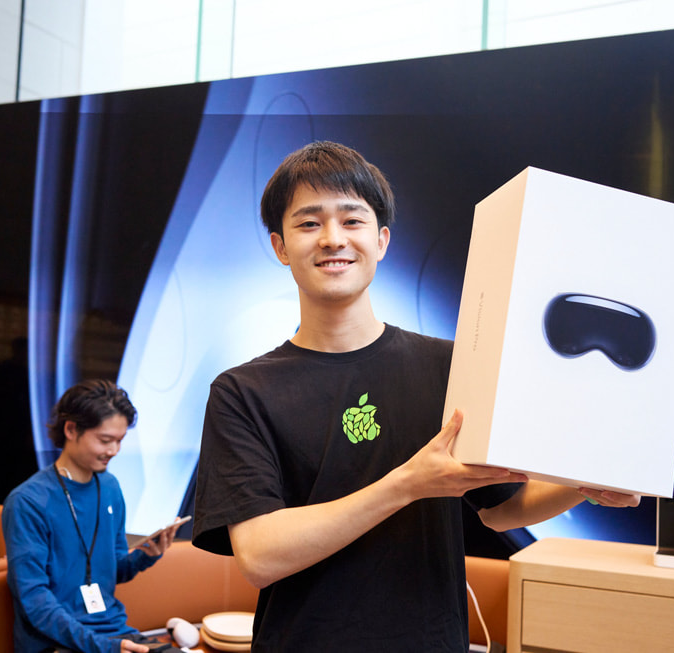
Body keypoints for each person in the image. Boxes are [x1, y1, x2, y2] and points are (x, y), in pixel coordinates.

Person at [190, 141, 641, 651]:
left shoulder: (450, 365)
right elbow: (260, 556)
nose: (333, 239)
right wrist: (408, 484)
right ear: (279, 246)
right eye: (309, 223)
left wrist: (587, 482)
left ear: (381, 240)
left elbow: (502, 506)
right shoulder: (242, 391)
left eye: (353, 221)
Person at [3, 379, 185, 653]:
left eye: (120, 441)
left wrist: (147, 555)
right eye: (105, 440)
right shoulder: (28, 501)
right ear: (71, 429)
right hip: (56, 644)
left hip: (114, 633)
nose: (114, 451)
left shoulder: (110, 487)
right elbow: (35, 602)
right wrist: (104, 647)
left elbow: (114, 571)